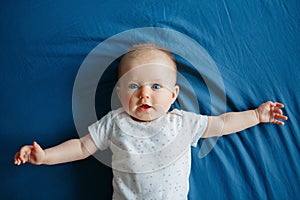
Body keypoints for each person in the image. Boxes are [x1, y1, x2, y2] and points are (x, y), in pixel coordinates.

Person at [14, 43, 288, 199]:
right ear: (119, 93)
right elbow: (83, 147)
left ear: (173, 95)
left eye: (156, 87)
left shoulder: (183, 123)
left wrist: (256, 115)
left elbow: (223, 123)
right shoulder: (115, 122)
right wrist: (46, 156)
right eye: (134, 86)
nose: (145, 93)